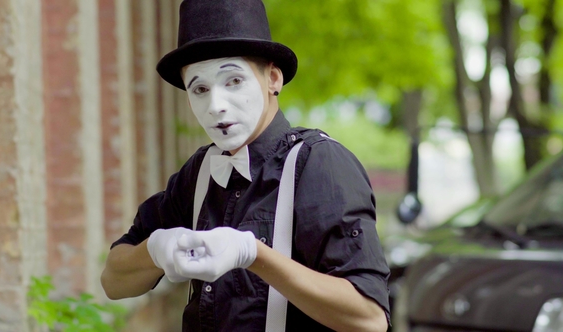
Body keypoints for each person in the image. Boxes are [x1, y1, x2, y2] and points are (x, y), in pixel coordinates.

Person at [100, 0, 391, 331]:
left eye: (233, 81)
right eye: (199, 88)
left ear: (273, 79)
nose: (215, 106)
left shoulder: (319, 164)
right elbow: (113, 282)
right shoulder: (199, 173)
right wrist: (155, 251)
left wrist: (254, 255)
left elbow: (369, 318)